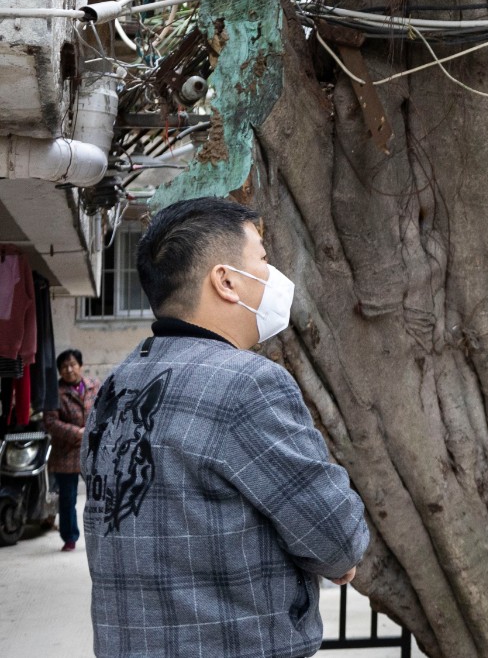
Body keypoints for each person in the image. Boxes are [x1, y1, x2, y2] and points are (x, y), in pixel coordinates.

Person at [82, 197, 369, 658]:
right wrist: (335, 555)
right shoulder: (248, 385)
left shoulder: (117, 384)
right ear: (226, 280)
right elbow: (337, 537)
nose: (273, 276)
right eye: (263, 259)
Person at [42, 347, 98, 551]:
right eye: (64, 366)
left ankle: (99, 535)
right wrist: (77, 432)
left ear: (81, 366)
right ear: (59, 370)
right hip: (66, 453)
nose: (69, 369)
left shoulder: (94, 386)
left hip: (92, 450)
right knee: (68, 499)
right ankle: (70, 537)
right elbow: (50, 421)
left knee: (98, 496)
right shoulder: (54, 392)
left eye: (73, 364)